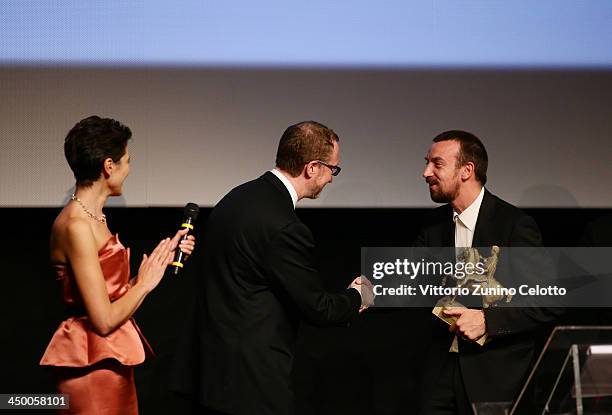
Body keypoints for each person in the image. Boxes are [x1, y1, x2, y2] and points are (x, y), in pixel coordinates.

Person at [170, 121, 374, 415]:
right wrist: (360, 295)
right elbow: (318, 307)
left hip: (208, 372)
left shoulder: (236, 197)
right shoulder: (285, 227)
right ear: (312, 168)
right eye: (333, 169)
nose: (331, 179)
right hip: (250, 383)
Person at [40, 116, 196, 414]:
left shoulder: (94, 218)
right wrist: (146, 284)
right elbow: (103, 319)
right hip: (90, 366)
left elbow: (111, 294)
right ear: (108, 166)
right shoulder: (76, 225)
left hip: (111, 362)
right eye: (127, 161)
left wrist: (160, 262)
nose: (129, 169)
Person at [416, 130, 561, 414]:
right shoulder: (432, 226)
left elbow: (548, 299)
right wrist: (367, 293)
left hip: (496, 379)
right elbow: (415, 282)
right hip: (439, 376)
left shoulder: (514, 225)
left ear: (466, 170)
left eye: (437, 163)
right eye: (427, 162)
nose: (426, 172)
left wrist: (487, 320)